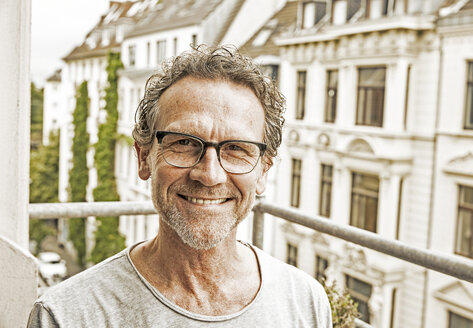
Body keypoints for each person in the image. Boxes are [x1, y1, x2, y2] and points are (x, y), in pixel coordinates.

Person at [27, 45, 332, 327]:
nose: (209, 175)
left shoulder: (305, 302)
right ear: (145, 157)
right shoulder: (67, 315)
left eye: (237, 148)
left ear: (264, 170)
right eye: (184, 143)